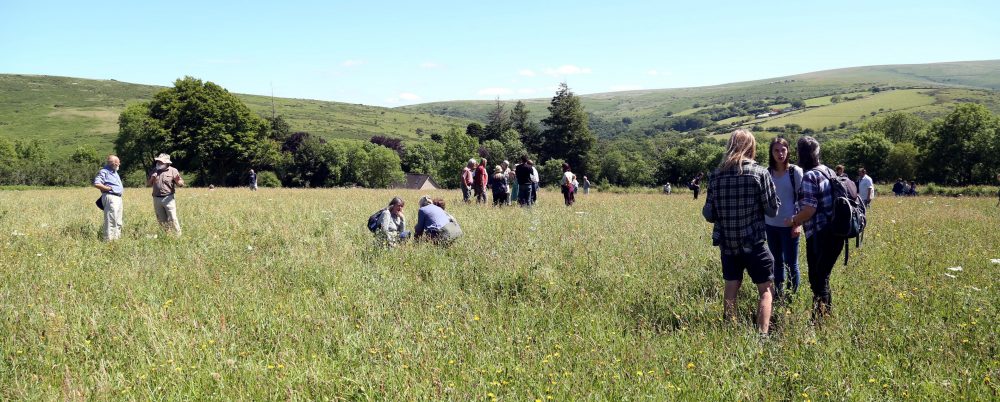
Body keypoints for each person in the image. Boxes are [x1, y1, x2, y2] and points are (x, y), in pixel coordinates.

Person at [702, 129, 779, 335]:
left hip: (728, 243)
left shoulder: (716, 176)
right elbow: (772, 210)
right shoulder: (760, 173)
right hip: (754, 242)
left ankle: (730, 332)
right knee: (766, 290)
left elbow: (708, 214)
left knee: (731, 288)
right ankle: (762, 335)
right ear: (751, 147)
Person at [785, 136, 843, 319]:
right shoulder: (828, 171)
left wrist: (793, 220)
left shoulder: (810, 176)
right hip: (836, 232)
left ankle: (819, 321)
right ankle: (824, 317)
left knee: (817, 279)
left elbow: (809, 210)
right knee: (823, 277)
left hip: (820, 234)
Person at [764, 137, 803, 299]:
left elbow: (802, 199)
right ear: (771, 153)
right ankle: (779, 295)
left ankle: (792, 298)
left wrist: (797, 223)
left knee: (791, 264)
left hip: (790, 224)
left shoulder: (795, 172)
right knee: (776, 262)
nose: (780, 153)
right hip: (770, 224)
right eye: (776, 150)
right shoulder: (767, 173)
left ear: (788, 151)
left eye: (783, 150)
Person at [147, 153, 185, 235]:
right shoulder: (154, 170)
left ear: (167, 162)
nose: (158, 163)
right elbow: (148, 184)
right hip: (156, 198)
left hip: (169, 198)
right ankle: (165, 235)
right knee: (161, 219)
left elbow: (180, 183)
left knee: (173, 218)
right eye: (158, 161)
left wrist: (179, 181)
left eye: (161, 161)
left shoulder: (173, 170)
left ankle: (177, 235)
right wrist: (152, 178)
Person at [93, 155, 124, 241]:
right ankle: (109, 241)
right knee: (111, 220)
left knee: (118, 220)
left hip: (118, 197)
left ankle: (116, 239)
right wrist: (107, 188)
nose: (119, 164)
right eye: (118, 162)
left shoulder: (115, 172)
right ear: (114, 163)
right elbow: (97, 183)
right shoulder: (104, 171)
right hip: (111, 197)